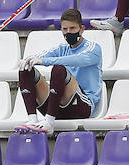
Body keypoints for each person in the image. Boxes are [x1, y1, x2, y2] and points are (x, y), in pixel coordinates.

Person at [15, 7, 103, 135]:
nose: (68, 32)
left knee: (59, 69)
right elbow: (41, 55)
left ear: (82, 29)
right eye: (65, 29)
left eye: (72, 28)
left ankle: (49, 122)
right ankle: (32, 120)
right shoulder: (62, 48)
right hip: (58, 107)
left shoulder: (94, 49)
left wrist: (45, 61)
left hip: (82, 107)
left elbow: (76, 59)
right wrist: (27, 60)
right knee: (26, 69)